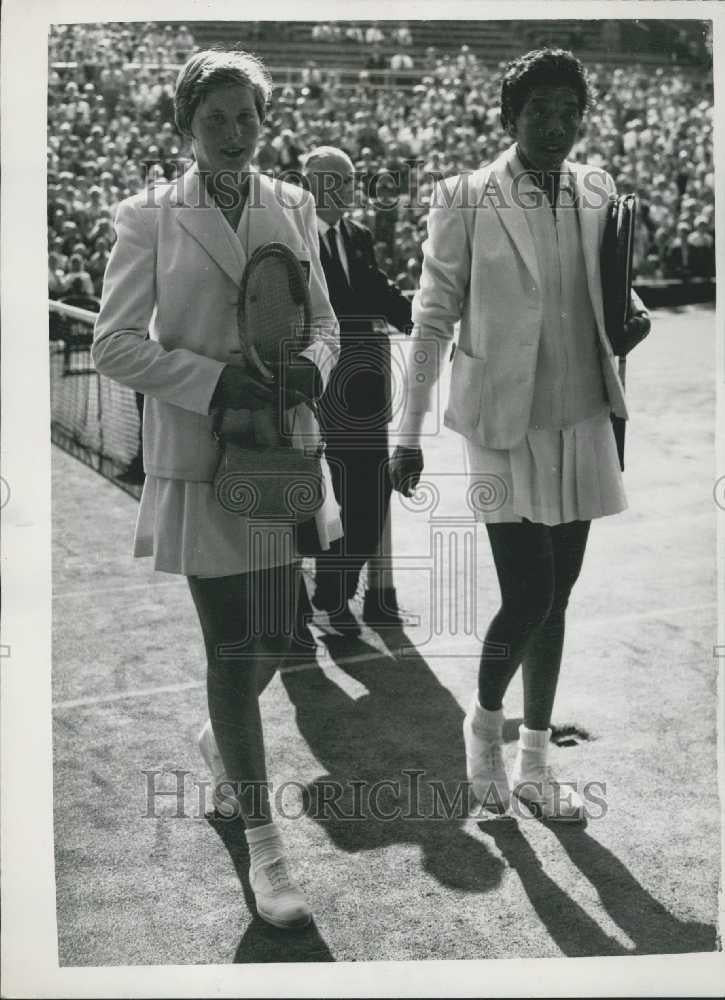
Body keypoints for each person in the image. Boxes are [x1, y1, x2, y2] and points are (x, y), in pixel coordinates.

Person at [92, 49, 340, 929]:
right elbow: (115, 344)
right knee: (232, 649)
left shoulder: (295, 205)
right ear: (184, 127)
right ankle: (266, 850)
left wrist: (310, 366)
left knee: (281, 632)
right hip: (200, 462)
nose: (235, 136)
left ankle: (221, 743)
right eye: (216, 120)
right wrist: (212, 381)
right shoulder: (146, 216)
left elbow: (323, 323)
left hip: (281, 453)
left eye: (247, 119)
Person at [390, 49, 651, 820]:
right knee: (528, 591)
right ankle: (483, 725)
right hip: (500, 423)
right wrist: (406, 433)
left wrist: (629, 311)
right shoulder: (463, 195)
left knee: (559, 595)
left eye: (568, 109)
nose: (555, 124)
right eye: (538, 109)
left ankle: (535, 764)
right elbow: (433, 317)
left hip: (581, 412)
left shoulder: (598, 189)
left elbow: (606, 285)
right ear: (509, 117)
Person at [298, 146, 413, 637]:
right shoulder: (289, 237)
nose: (348, 191)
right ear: (312, 186)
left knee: (369, 497)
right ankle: (312, 602)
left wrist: (427, 321)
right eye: (338, 182)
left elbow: (381, 292)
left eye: (349, 181)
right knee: (317, 500)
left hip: (365, 393)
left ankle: (333, 591)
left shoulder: (358, 236)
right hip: (313, 396)